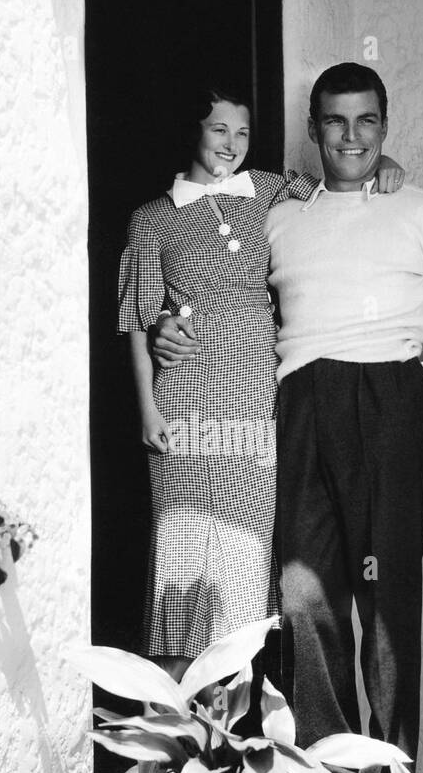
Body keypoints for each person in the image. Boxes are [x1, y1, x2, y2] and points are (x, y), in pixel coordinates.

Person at [156, 63, 423, 773]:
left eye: (366, 120)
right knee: (305, 594)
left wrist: (415, 388)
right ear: (312, 130)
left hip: (389, 401)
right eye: (335, 122)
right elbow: (212, 277)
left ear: (385, 125)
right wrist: (163, 324)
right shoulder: (278, 213)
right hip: (303, 401)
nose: (351, 136)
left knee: (386, 593)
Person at [118, 85, 403, 682]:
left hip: (258, 395)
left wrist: (386, 166)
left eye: (242, 133)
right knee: (181, 549)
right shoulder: (152, 219)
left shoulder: (270, 189)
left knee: (246, 561)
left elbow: (341, 185)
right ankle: (171, 740)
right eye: (219, 130)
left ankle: (230, 748)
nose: (232, 144)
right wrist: (147, 411)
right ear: (192, 132)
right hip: (187, 400)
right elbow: (138, 322)